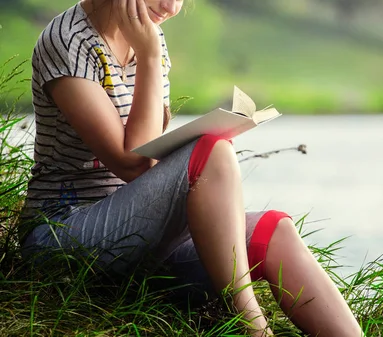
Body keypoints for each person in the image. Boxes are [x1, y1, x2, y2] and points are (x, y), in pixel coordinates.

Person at [18, 0, 364, 336]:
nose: (170, 7)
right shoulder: (67, 40)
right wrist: (151, 58)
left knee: (275, 231)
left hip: (138, 238)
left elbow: (151, 157)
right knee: (211, 150)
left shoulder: (149, 37)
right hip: (63, 237)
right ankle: (252, 327)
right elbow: (132, 164)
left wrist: (150, 54)